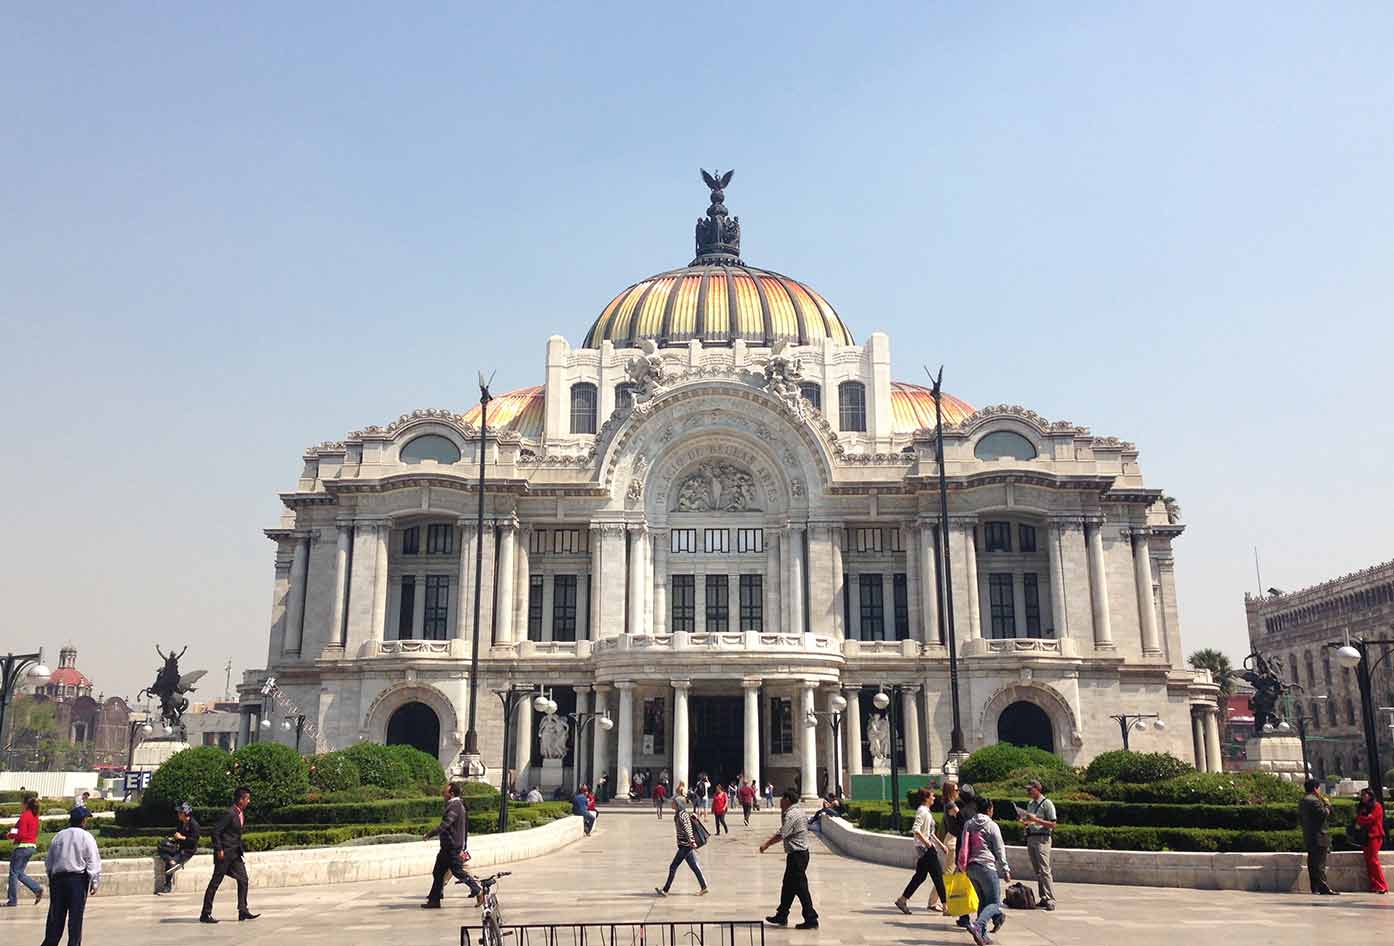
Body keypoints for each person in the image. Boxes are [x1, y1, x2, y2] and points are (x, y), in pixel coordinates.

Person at [39, 808, 101, 946]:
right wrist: (95, 882)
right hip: (77, 881)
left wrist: (51, 877)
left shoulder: (59, 836)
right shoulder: (86, 837)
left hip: (58, 880)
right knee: (75, 921)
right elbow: (92, 861)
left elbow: (49, 861)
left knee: (55, 920)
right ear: (83, 821)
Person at [760, 788, 818, 930]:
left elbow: (782, 833)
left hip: (797, 855)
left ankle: (811, 918)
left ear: (786, 799)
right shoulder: (797, 811)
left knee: (801, 888)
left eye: (782, 798)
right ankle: (782, 915)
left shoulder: (791, 815)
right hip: (799, 854)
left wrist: (766, 844)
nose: (780, 801)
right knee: (788, 886)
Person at [200, 786, 258, 923]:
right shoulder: (230, 813)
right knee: (215, 883)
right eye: (247, 799)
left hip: (235, 854)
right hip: (224, 855)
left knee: (243, 879)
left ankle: (242, 910)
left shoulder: (240, 814)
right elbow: (215, 831)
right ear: (240, 799)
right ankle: (205, 913)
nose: (249, 801)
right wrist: (219, 849)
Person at [958, 797, 1009, 946]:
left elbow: (964, 846)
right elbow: (1000, 849)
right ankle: (978, 925)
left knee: (983, 901)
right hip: (987, 867)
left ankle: (983, 935)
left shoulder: (969, 824)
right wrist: (1005, 868)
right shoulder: (992, 825)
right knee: (994, 903)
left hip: (971, 868)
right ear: (989, 809)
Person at [423, 782, 482, 908]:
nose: (443, 792)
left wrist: (430, 834)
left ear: (451, 793)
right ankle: (434, 900)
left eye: (445, 791)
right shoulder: (455, 804)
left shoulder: (455, 806)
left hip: (452, 847)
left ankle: (478, 890)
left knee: (457, 871)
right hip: (447, 847)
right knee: (438, 872)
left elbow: (446, 824)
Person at [895, 787, 948, 916]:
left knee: (920, 876)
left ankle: (902, 900)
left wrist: (941, 845)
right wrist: (927, 843)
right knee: (938, 877)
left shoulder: (926, 811)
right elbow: (916, 829)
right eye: (932, 796)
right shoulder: (922, 812)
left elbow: (930, 833)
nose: (934, 798)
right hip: (926, 850)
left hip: (926, 848)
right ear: (926, 798)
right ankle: (946, 907)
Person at [655, 796, 709, 896]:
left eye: (674, 803)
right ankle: (704, 887)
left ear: (678, 804)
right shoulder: (680, 814)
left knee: (673, 866)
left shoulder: (681, 815)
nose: (672, 804)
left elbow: (688, 828)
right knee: (694, 866)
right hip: (684, 845)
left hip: (685, 845)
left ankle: (665, 890)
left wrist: (692, 842)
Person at [1019, 779, 1058, 910]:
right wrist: (1025, 821)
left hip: (1043, 838)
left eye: (1030, 789)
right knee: (1038, 871)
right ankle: (1043, 897)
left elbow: (1053, 824)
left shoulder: (1047, 803)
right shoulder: (1030, 804)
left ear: (1038, 789)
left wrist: (1035, 820)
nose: (1028, 792)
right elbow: (1030, 820)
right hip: (1031, 837)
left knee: (1045, 870)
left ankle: (1051, 898)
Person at [1299, 778, 1338, 895]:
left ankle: (1315, 887)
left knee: (1312, 863)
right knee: (1320, 863)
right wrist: (1327, 804)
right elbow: (1323, 814)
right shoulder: (1314, 801)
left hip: (1309, 835)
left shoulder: (1303, 800)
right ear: (1315, 788)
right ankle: (1323, 887)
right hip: (1319, 836)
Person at [4, 794, 43, 907]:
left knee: (13, 873)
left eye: (22, 803)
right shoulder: (35, 816)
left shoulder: (24, 816)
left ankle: (12, 900)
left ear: (26, 804)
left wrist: (10, 835)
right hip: (31, 847)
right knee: (19, 873)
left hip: (22, 847)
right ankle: (37, 889)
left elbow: (20, 833)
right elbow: (17, 828)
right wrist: (12, 833)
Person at [157, 802, 201, 894]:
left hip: (187, 850)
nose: (178, 814)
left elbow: (193, 841)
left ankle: (167, 885)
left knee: (171, 862)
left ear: (185, 813)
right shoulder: (181, 823)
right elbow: (178, 836)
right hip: (179, 847)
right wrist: (172, 839)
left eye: (180, 812)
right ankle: (171, 861)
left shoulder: (194, 825)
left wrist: (181, 837)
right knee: (161, 847)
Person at [1354, 787, 1387, 894]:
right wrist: (1363, 818)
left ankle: (1382, 885)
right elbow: (1360, 819)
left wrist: (1361, 819)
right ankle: (1374, 885)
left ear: (1370, 795)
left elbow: (1370, 819)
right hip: (1366, 836)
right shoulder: (1363, 807)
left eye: (1365, 795)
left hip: (1375, 836)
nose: (1363, 797)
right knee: (1368, 862)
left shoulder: (1377, 806)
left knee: (1373, 860)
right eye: (1362, 795)